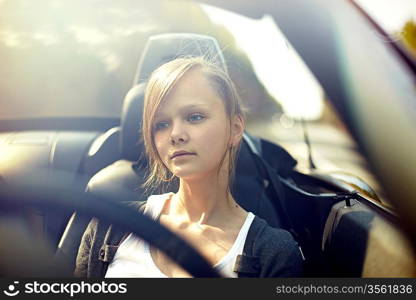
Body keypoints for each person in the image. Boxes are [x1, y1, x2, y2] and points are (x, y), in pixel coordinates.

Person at [74, 56, 303, 277]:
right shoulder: (109, 227)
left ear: (234, 128)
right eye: (161, 124)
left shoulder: (274, 253)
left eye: (194, 117)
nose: (175, 135)